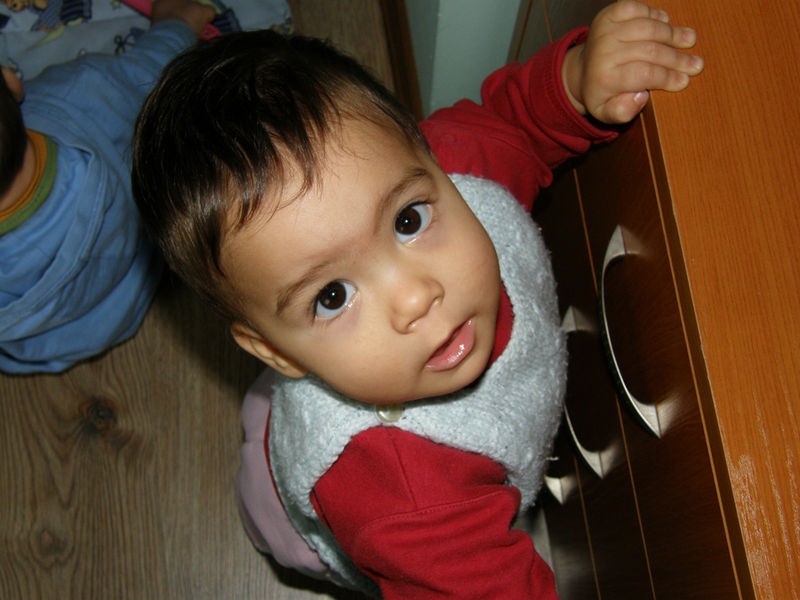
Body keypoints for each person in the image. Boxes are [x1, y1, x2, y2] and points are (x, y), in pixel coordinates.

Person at [132, 1, 703, 596]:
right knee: (277, 505)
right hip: (313, 512)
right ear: (273, 350)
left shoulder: (452, 165)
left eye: (407, 221)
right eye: (332, 296)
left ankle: (271, 407)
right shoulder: (408, 503)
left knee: (272, 408)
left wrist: (576, 81)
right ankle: (271, 469)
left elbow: (513, 123)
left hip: (302, 397)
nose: (414, 298)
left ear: (426, 155)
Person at [0, 0, 215, 373]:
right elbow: (148, 71)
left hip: (50, 346)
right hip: (129, 284)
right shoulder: (78, 93)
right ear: (10, 82)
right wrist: (178, 24)